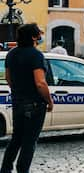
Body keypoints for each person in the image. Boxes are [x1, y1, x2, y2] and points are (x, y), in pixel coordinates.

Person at [0, 24, 54, 173]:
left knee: (16, 139)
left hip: (17, 102)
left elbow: (8, 78)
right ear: (33, 37)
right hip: (35, 104)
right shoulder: (36, 55)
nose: (40, 37)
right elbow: (40, 82)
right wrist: (49, 101)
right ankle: (22, 170)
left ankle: (5, 169)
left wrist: (18, 92)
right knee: (29, 142)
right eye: (38, 34)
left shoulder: (11, 54)